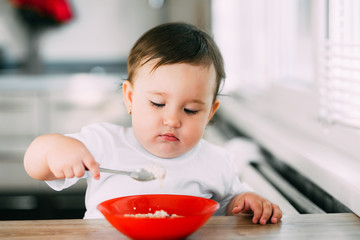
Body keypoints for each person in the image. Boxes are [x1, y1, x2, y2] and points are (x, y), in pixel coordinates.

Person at [24, 22, 282, 224]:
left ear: (211, 112)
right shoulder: (102, 143)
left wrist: (247, 202)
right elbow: (36, 166)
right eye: (157, 104)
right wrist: (55, 147)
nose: (171, 120)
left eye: (191, 110)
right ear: (130, 98)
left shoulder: (217, 161)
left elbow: (233, 204)